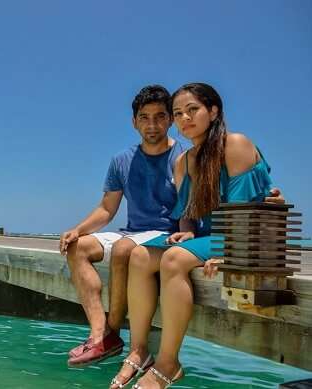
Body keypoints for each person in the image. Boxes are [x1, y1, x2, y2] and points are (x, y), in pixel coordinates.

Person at [118, 82, 283, 389]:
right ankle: (138, 350)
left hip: (244, 237)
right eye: (178, 113)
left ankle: (169, 363)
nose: (184, 119)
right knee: (139, 255)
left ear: (213, 110)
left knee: (173, 260)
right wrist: (187, 232)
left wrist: (228, 254)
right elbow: (187, 212)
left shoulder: (235, 144)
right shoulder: (184, 161)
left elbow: (243, 209)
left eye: (192, 110)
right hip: (208, 238)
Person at [60, 85, 186, 367]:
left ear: (171, 120)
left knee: (121, 249)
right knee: (76, 247)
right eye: (144, 117)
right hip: (133, 231)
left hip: (166, 234)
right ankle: (98, 332)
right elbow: (107, 209)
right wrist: (77, 229)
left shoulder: (184, 157)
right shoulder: (121, 160)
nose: (152, 124)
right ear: (134, 121)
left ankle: (113, 334)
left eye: (159, 116)